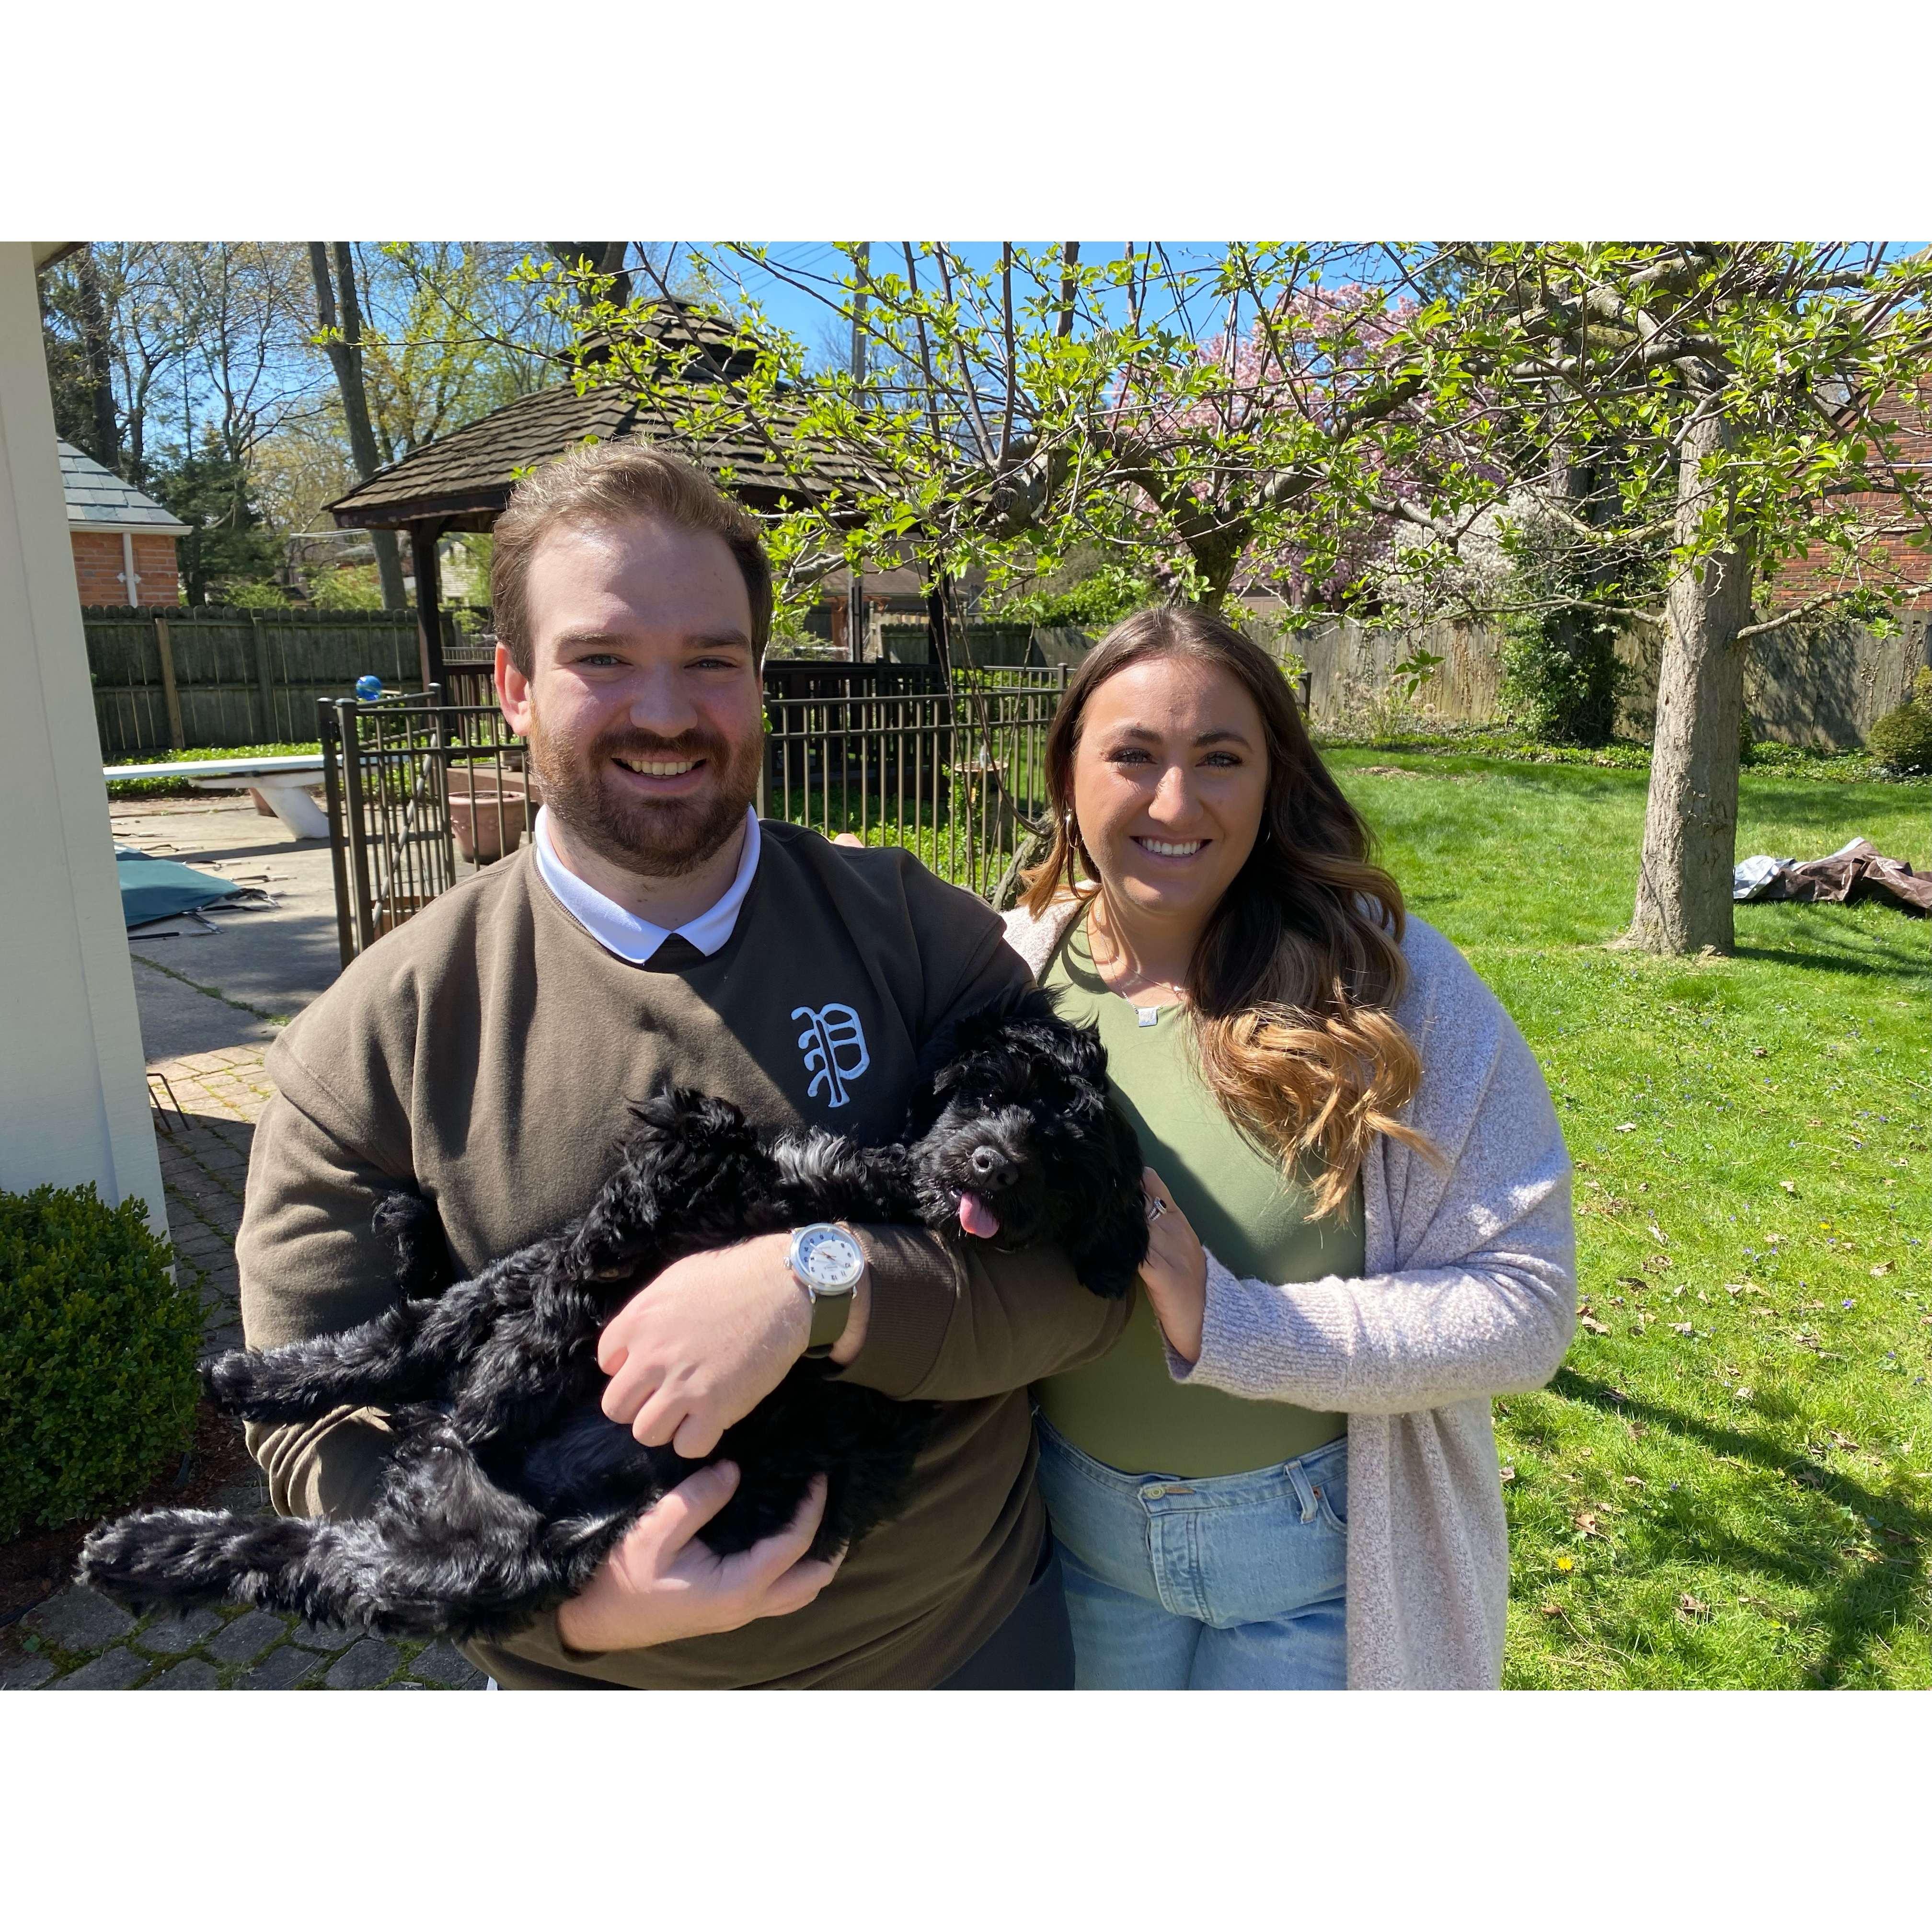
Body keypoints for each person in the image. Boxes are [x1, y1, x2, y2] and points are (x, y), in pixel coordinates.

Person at [234, 442, 1129, 1688]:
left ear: (756, 682)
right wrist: (566, 1615)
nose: (665, 713)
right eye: (602, 659)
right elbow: (310, 1413)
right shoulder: (383, 1036)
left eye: (711, 660)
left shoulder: (919, 936)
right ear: (513, 685)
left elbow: (1090, 1277)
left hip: (967, 1655)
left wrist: (823, 1284)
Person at [1001, 605, 1576, 1690]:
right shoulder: (1018, 961)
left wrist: (1234, 1320)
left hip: (1312, 1568)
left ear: (1273, 781)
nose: (1175, 802)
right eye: (1132, 756)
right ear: (1068, 772)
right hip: (1071, 1540)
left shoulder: (1390, 988)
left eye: (1221, 758)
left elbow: (1527, 1306)